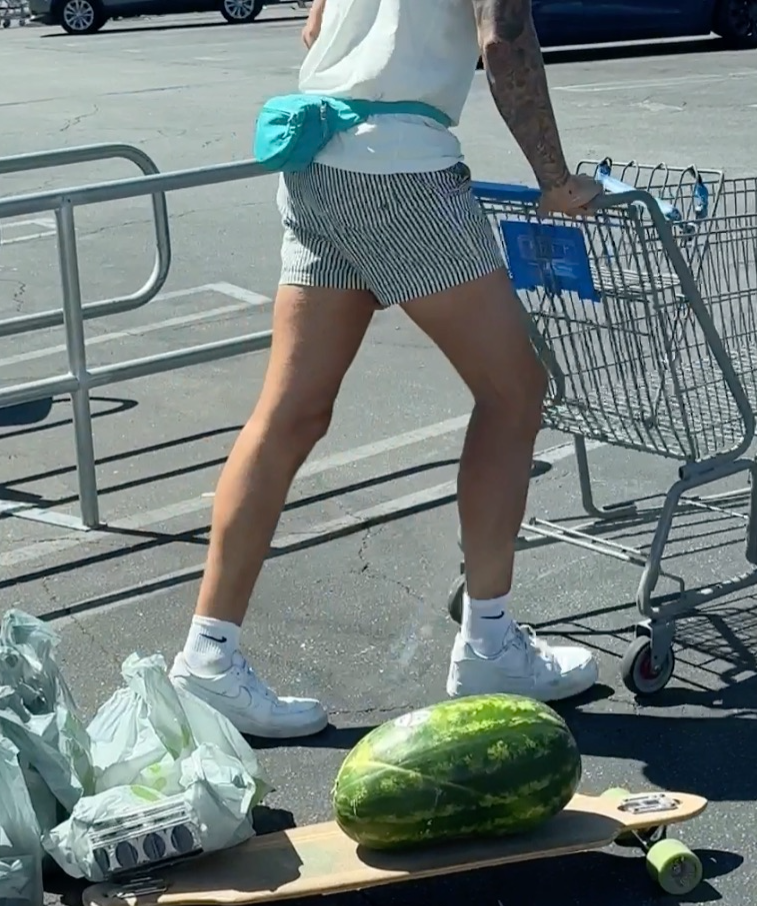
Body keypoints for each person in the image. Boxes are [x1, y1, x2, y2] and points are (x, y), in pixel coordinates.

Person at [169, 0, 603, 740]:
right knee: (514, 390)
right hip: (398, 170)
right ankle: (491, 640)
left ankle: (208, 655)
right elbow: (505, 43)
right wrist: (556, 180)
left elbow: (314, 27)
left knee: (290, 412)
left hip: (314, 159)